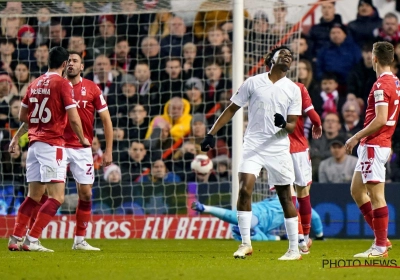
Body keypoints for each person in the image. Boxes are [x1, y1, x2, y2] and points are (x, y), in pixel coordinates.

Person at [201, 46, 302, 260]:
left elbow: (293, 125)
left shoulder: (293, 89)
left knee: (285, 198)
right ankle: (246, 243)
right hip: (253, 145)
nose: (287, 57)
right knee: (244, 190)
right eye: (283, 54)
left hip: (278, 148)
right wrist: (211, 134)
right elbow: (231, 108)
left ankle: (294, 249)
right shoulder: (253, 82)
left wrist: (284, 123)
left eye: (290, 56)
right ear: (271, 59)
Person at [7, 47, 90, 252]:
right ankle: (32, 239)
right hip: (52, 145)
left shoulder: (34, 83)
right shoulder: (63, 84)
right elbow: (73, 117)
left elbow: (23, 117)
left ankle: (15, 237)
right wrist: (83, 139)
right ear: (64, 65)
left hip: (34, 146)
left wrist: (17, 138)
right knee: (57, 197)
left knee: (33, 196)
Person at [345, 41, 398, 258]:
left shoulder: (381, 85)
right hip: (377, 144)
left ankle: (379, 247)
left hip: (374, 144)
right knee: (357, 191)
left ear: (374, 59)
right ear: (391, 59)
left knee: (376, 196)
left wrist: (356, 136)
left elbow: (382, 118)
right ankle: (382, 239)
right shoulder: (395, 81)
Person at [64, 51, 113, 250]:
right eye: (68, 61)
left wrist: (108, 151)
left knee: (85, 194)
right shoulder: (58, 86)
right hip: (58, 144)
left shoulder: (92, 88)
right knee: (47, 194)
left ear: (82, 66)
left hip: (83, 147)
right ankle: (31, 236)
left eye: (75, 61)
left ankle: (79, 240)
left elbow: (106, 121)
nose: (71, 64)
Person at [191, 196, 324, 241]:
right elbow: (315, 217)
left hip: (255, 212)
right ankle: (250, 232)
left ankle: (206, 208)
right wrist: (319, 235)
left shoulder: (278, 196)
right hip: (261, 218)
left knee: (241, 222)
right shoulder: (297, 203)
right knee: (262, 235)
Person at [290, 82, 322, 254]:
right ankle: (305, 237)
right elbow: (313, 115)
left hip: (276, 149)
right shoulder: (298, 87)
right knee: (303, 193)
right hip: (298, 148)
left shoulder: (264, 87)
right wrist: (317, 125)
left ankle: (300, 239)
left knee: (287, 195)